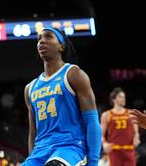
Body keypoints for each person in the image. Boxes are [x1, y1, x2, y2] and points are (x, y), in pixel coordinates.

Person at [22, 27, 102, 166]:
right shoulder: (30, 88)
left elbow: (92, 120)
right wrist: (32, 158)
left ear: (61, 46)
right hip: (41, 150)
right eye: (39, 38)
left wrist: (93, 162)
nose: (42, 41)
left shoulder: (73, 74)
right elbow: (33, 132)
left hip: (70, 147)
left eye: (48, 37)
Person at [101, 88, 139, 166]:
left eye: (124, 97)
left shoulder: (131, 113)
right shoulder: (106, 114)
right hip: (114, 151)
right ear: (114, 99)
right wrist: (104, 144)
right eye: (120, 97)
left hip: (129, 150)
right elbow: (101, 134)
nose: (123, 99)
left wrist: (136, 137)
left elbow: (136, 133)